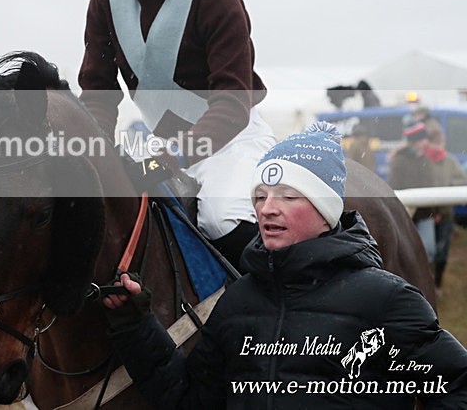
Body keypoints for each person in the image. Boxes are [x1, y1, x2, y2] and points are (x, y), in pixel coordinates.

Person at [102, 122, 467, 408]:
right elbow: (189, 400)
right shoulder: (236, 302)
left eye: (288, 196)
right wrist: (135, 324)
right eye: (260, 196)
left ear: (326, 210)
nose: (267, 208)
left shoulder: (387, 301)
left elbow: (455, 384)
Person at [75, 0, 276, 269]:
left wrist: (182, 152)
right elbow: (98, 91)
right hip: (163, 143)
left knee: (220, 219)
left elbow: (233, 102)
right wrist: (91, 151)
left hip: (231, 140)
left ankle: (274, 313)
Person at [422, 123, 467, 289]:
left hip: (446, 212)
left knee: (442, 251)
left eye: (440, 141)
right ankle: (425, 282)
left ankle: (437, 284)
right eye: (435, 141)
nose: (438, 145)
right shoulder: (423, 160)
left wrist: (448, 185)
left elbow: (461, 179)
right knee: (426, 251)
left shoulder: (450, 161)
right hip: (426, 213)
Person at [388, 119, 437, 262]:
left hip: (425, 212)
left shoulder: (425, 159)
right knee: (408, 253)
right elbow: (394, 185)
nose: (426, 142)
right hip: (406, 214)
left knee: (429, 251)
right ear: (416, 140)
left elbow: (431, 186)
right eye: (423, 138)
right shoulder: (399, 160)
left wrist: (436, 210)